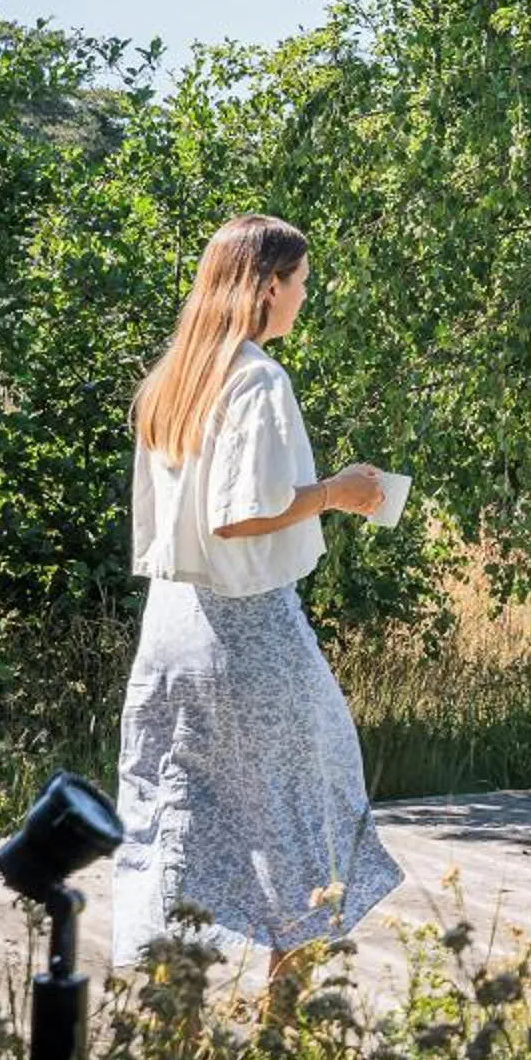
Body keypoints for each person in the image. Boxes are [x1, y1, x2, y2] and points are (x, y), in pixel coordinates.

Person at [115, 213, 405, 972]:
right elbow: (240, 514)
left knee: (182, 815)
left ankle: (175, 1017)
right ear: (268, 286)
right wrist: (338, 493)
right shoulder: (257, 378)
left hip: (171, 625)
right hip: (246, 626)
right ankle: (286, 1017)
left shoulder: (173, 380)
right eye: (301, 281)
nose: (305, 296)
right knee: (307, 804)